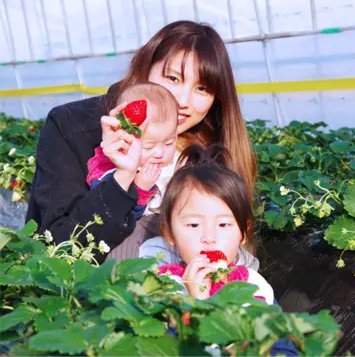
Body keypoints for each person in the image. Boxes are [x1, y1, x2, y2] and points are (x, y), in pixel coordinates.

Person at [26, 20, 258, 267]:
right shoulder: (74, 127)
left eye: (202, 88)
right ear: (146, 67)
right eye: (173, 78)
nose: (182, 100)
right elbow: (58, 245)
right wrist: (122, 180)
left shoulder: (213, 148)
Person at [144, 144, 297, 356]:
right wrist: (195, 308)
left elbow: (285, 351)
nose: (209, 238)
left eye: (224, 225)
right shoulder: (161, 288)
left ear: (243, 233)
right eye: (193, 225)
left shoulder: (253, 287)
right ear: (169, 233)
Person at [86, 82, 178, 220]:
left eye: (169, 143)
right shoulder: (108, 170)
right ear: (123, 140)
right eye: (148, 146)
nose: (159, 153)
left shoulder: (179, 159)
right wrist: (140, 188)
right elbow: (120, 216)